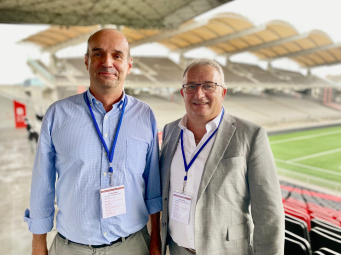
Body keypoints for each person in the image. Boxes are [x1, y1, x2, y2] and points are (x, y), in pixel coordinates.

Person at [24, 29, 162, 255]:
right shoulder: (58, 115)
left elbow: (153, 186)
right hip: (72, 248)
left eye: (117, 56)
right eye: (98, 54)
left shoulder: (145, 116)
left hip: (133, 246)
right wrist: (38, 244)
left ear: (128, 65)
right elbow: (42, 185)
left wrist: (155, 240)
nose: (107, 62)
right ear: (87, 62)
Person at [160, 59, 284, 255]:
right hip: (176, 250)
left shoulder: (251, 135)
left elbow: (269, 214)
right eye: (191, 86)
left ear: (222, 93)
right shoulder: (170, 131)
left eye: (209, 86)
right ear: (183, 93)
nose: (199, 94)